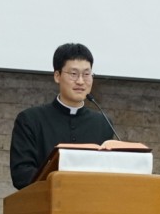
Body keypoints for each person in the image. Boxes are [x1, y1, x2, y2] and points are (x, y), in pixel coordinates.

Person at [9, 42, 116, 190]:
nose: (80, 81)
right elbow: (21, 174)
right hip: (46, 200)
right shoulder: (30, 119)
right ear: (57, 76)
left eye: (86, 74)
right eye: (73, 74)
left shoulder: (103, 123)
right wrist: (64, 183)